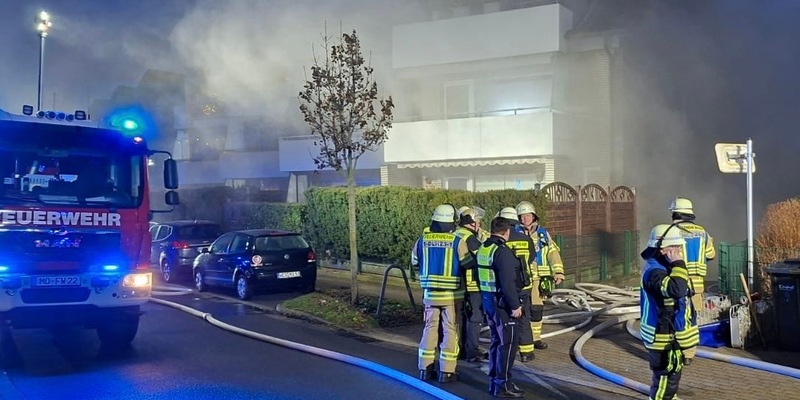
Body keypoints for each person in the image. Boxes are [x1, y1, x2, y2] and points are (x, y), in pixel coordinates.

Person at [412, 204, 475, 383]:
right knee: (450, 329)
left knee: (429, 328)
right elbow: (468, 263)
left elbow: (414, 261)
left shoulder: (422, 240)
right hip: (451, 296)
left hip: (430, 295)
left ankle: (425, 369)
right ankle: (446, 371)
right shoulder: (457, 241)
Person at [640, 224, 699, 400]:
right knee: (665, 380)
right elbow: (676, 290)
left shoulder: (663, 267)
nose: (679, 252)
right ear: (663, 249)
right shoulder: (654, 272)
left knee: (671, 377)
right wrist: (679, 264)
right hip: (662, 338)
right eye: (676, 247)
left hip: (670, 336)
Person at [477, 216, 527, 398]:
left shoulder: (484, 248)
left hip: (488, 300)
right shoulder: (502, 251)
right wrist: (515, 306)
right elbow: (507, 283)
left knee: (496, 342)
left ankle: (494, 382)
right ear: (507, 232)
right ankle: (503, 384)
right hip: (502, 304)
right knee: (508, 344)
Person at [668, 196, 715, 364]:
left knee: (675, 315)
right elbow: (711, 254)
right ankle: (689, 353)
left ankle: (676, 350)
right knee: (692, 318)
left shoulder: (671, 232)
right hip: (697, 285)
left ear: (675, 214)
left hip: (676, 282)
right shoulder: (703, 232)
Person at [516, 200, 564, 350]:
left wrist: (558, 272)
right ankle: (521, 338)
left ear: (534, 216)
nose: (525, 218)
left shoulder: (543, 234)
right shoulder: (514, 233)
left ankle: (536, 338)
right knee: (520, 309)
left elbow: (552, 252)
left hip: (539, 279)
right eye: (522, 216)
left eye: (527, 215)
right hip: (521, 279)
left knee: (536, 309)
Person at [496, 207, 536, 362]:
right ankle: (526, 352)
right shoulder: (526, 239)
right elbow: (531, 258)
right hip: (524, 285)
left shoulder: (499, 239)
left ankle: (507, 349)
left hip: (504, 285)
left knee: (505, 319)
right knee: (524, 318)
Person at [453, 207, 488, 363]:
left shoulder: (456, 234)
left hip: (457, 284)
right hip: (472, 284)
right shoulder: (470, 237)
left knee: (460, 318)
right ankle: (472, 351)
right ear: (472, 222)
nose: (480, 224)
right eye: (478, 221)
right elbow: (482, 256)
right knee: (475, 318)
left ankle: (459, 349)